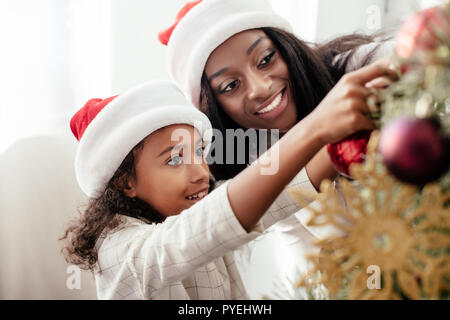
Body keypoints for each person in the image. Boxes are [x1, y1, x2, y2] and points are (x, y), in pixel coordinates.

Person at [61, 73, 388, 299]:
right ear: (125, 182)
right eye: (175, 159)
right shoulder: (118, 252)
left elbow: (279, 191)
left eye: (200, 153)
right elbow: (199, 230)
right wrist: (316, 127)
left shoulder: (188, 206)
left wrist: (348, 138)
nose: (201, 172)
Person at [159, 0, 397, 297]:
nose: (259, 88)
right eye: (231, 85)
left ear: (286, 48)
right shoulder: (249, 177)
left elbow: (421, 54)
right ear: (216, 107)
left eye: (265, 59)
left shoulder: (350, 69)